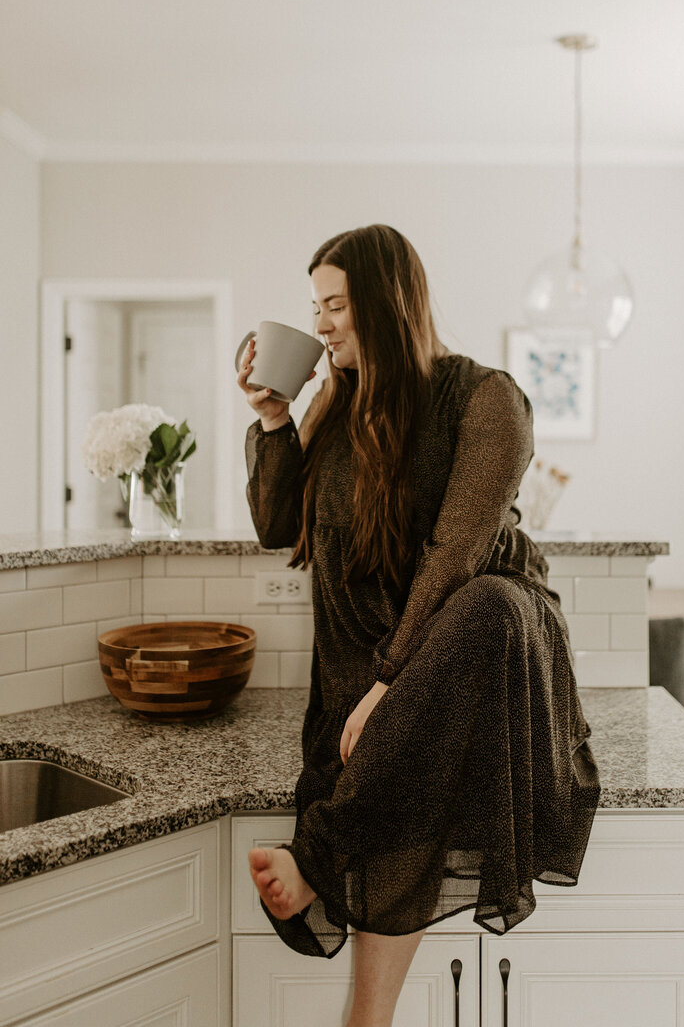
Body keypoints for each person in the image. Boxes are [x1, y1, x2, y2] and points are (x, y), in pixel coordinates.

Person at [238, 224, 599, 1027]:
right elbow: (272, 524)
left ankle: (320, 854)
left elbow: (455, 557)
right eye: (315, 307)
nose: (322, 323)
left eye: (335, 304)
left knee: (489, 603)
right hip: (371, 671)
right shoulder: (334, 403)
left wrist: (389, 685)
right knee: (399, 764)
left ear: (386, 302)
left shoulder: (486, 398)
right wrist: (272, 418)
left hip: (481, 652)